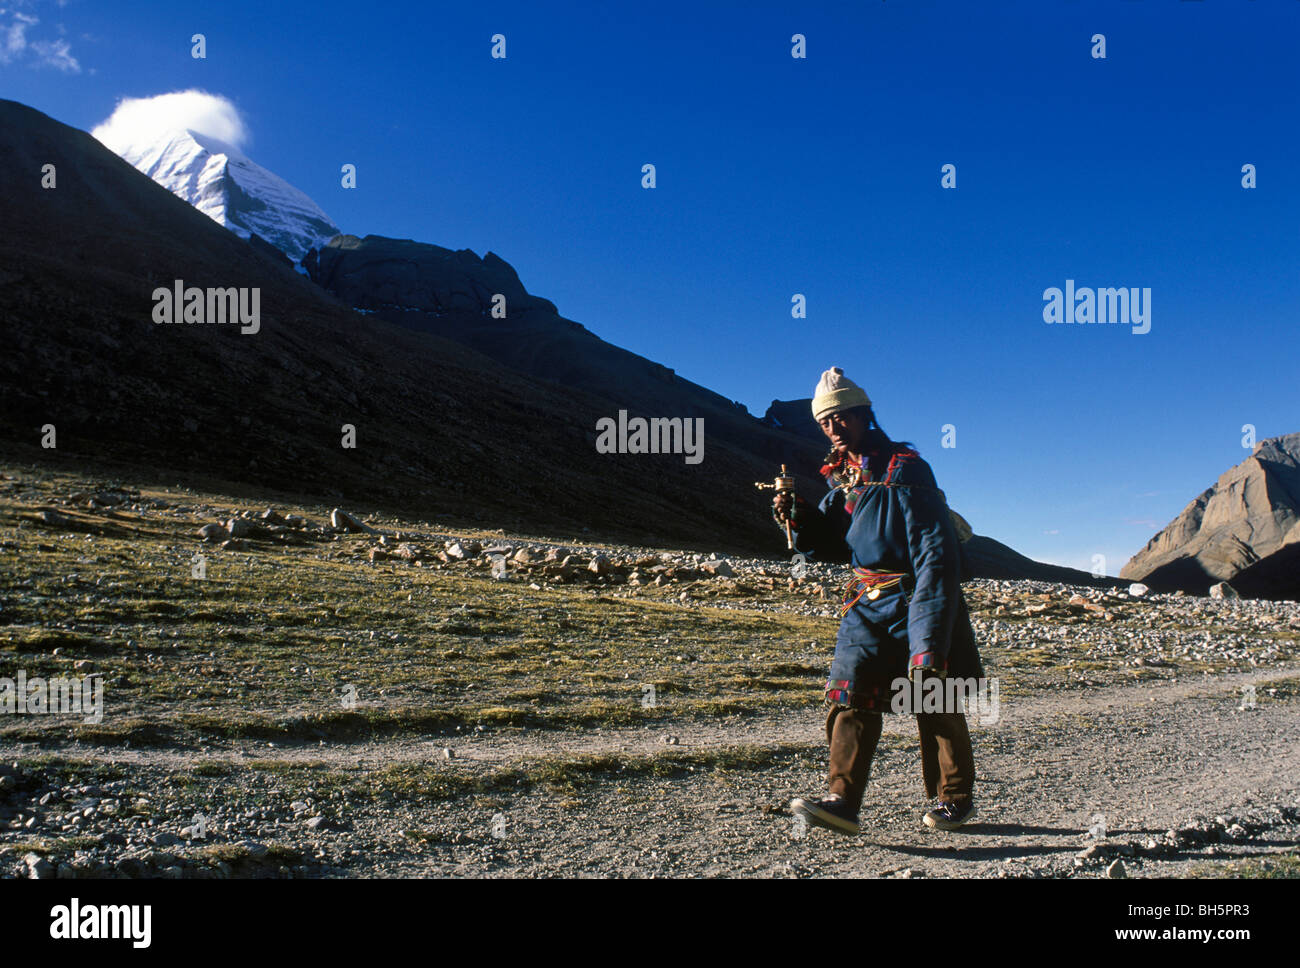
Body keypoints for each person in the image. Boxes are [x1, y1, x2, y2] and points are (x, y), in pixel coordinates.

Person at [773, 366, 983, 835]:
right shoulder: (843, 480)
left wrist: (930, 634)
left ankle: (955, 799)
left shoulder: (905, 468)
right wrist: (801, 518)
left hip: (915, 596)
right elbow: (836, 545)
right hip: (866, 602)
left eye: (842, 417)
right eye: (826, 421)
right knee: (850, 694)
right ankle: (841, 801)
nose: (833, 428)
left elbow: (935, 550)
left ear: (865, 415)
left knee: (934, 693)